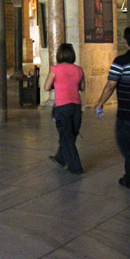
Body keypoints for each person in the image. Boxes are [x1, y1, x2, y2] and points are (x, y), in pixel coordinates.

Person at [94, 27, 130, 189]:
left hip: (127, 113)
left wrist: (100, 103)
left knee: (126, 145)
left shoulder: (121, 61)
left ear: (125, 42)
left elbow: (111, 85)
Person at [43, 43, 85, 174]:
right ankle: (60, 158)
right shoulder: (79, 69)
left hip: (62, 106)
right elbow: (82, 87)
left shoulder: (55, 69)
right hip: (76, 106)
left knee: (66, 136)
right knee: (70, 134)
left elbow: (46, 87)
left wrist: (59, 85)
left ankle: (75, 167)